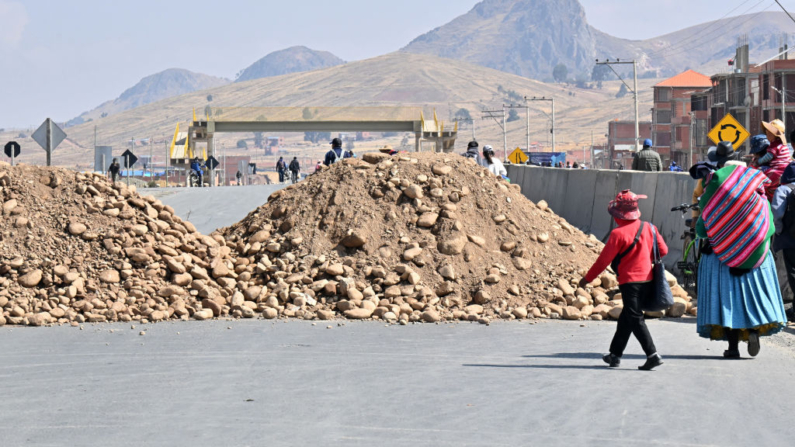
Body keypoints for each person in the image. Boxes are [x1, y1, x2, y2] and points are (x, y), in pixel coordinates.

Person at [691, 141, 787, 358]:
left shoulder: (713, 186)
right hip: (755, 256)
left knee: (727, 300)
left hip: (721, 258)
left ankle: (732, 348)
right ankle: (753, 331)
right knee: (750, 297)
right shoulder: (755, 186)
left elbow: (703, 229)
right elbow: (768, 222)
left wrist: (718, 235)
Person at [578, 189, 667, 370]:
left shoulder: (617, 234)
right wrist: (643, 258)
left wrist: (587, 279)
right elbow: (663, 250)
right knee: (627, 317)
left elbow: (603, 261)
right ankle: (614, 355)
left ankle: (652, 354)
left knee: (635, 318)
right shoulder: (650, 228)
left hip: (630, 283)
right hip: (648, 280)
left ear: (618, 215)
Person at [771, 161, 795, 322]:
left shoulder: (784, 189)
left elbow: (776, 213)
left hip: (790, 240)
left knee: (793, 273)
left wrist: (778, 232)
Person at [753, 120, 792, 201]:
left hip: (777, 169)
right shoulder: (781, 144)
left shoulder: (775, 145)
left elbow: (769, 156)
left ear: (774, 135)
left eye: (769, 134)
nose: (767, 136)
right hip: (784, 169)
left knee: (759, 172)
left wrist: (759, 161)